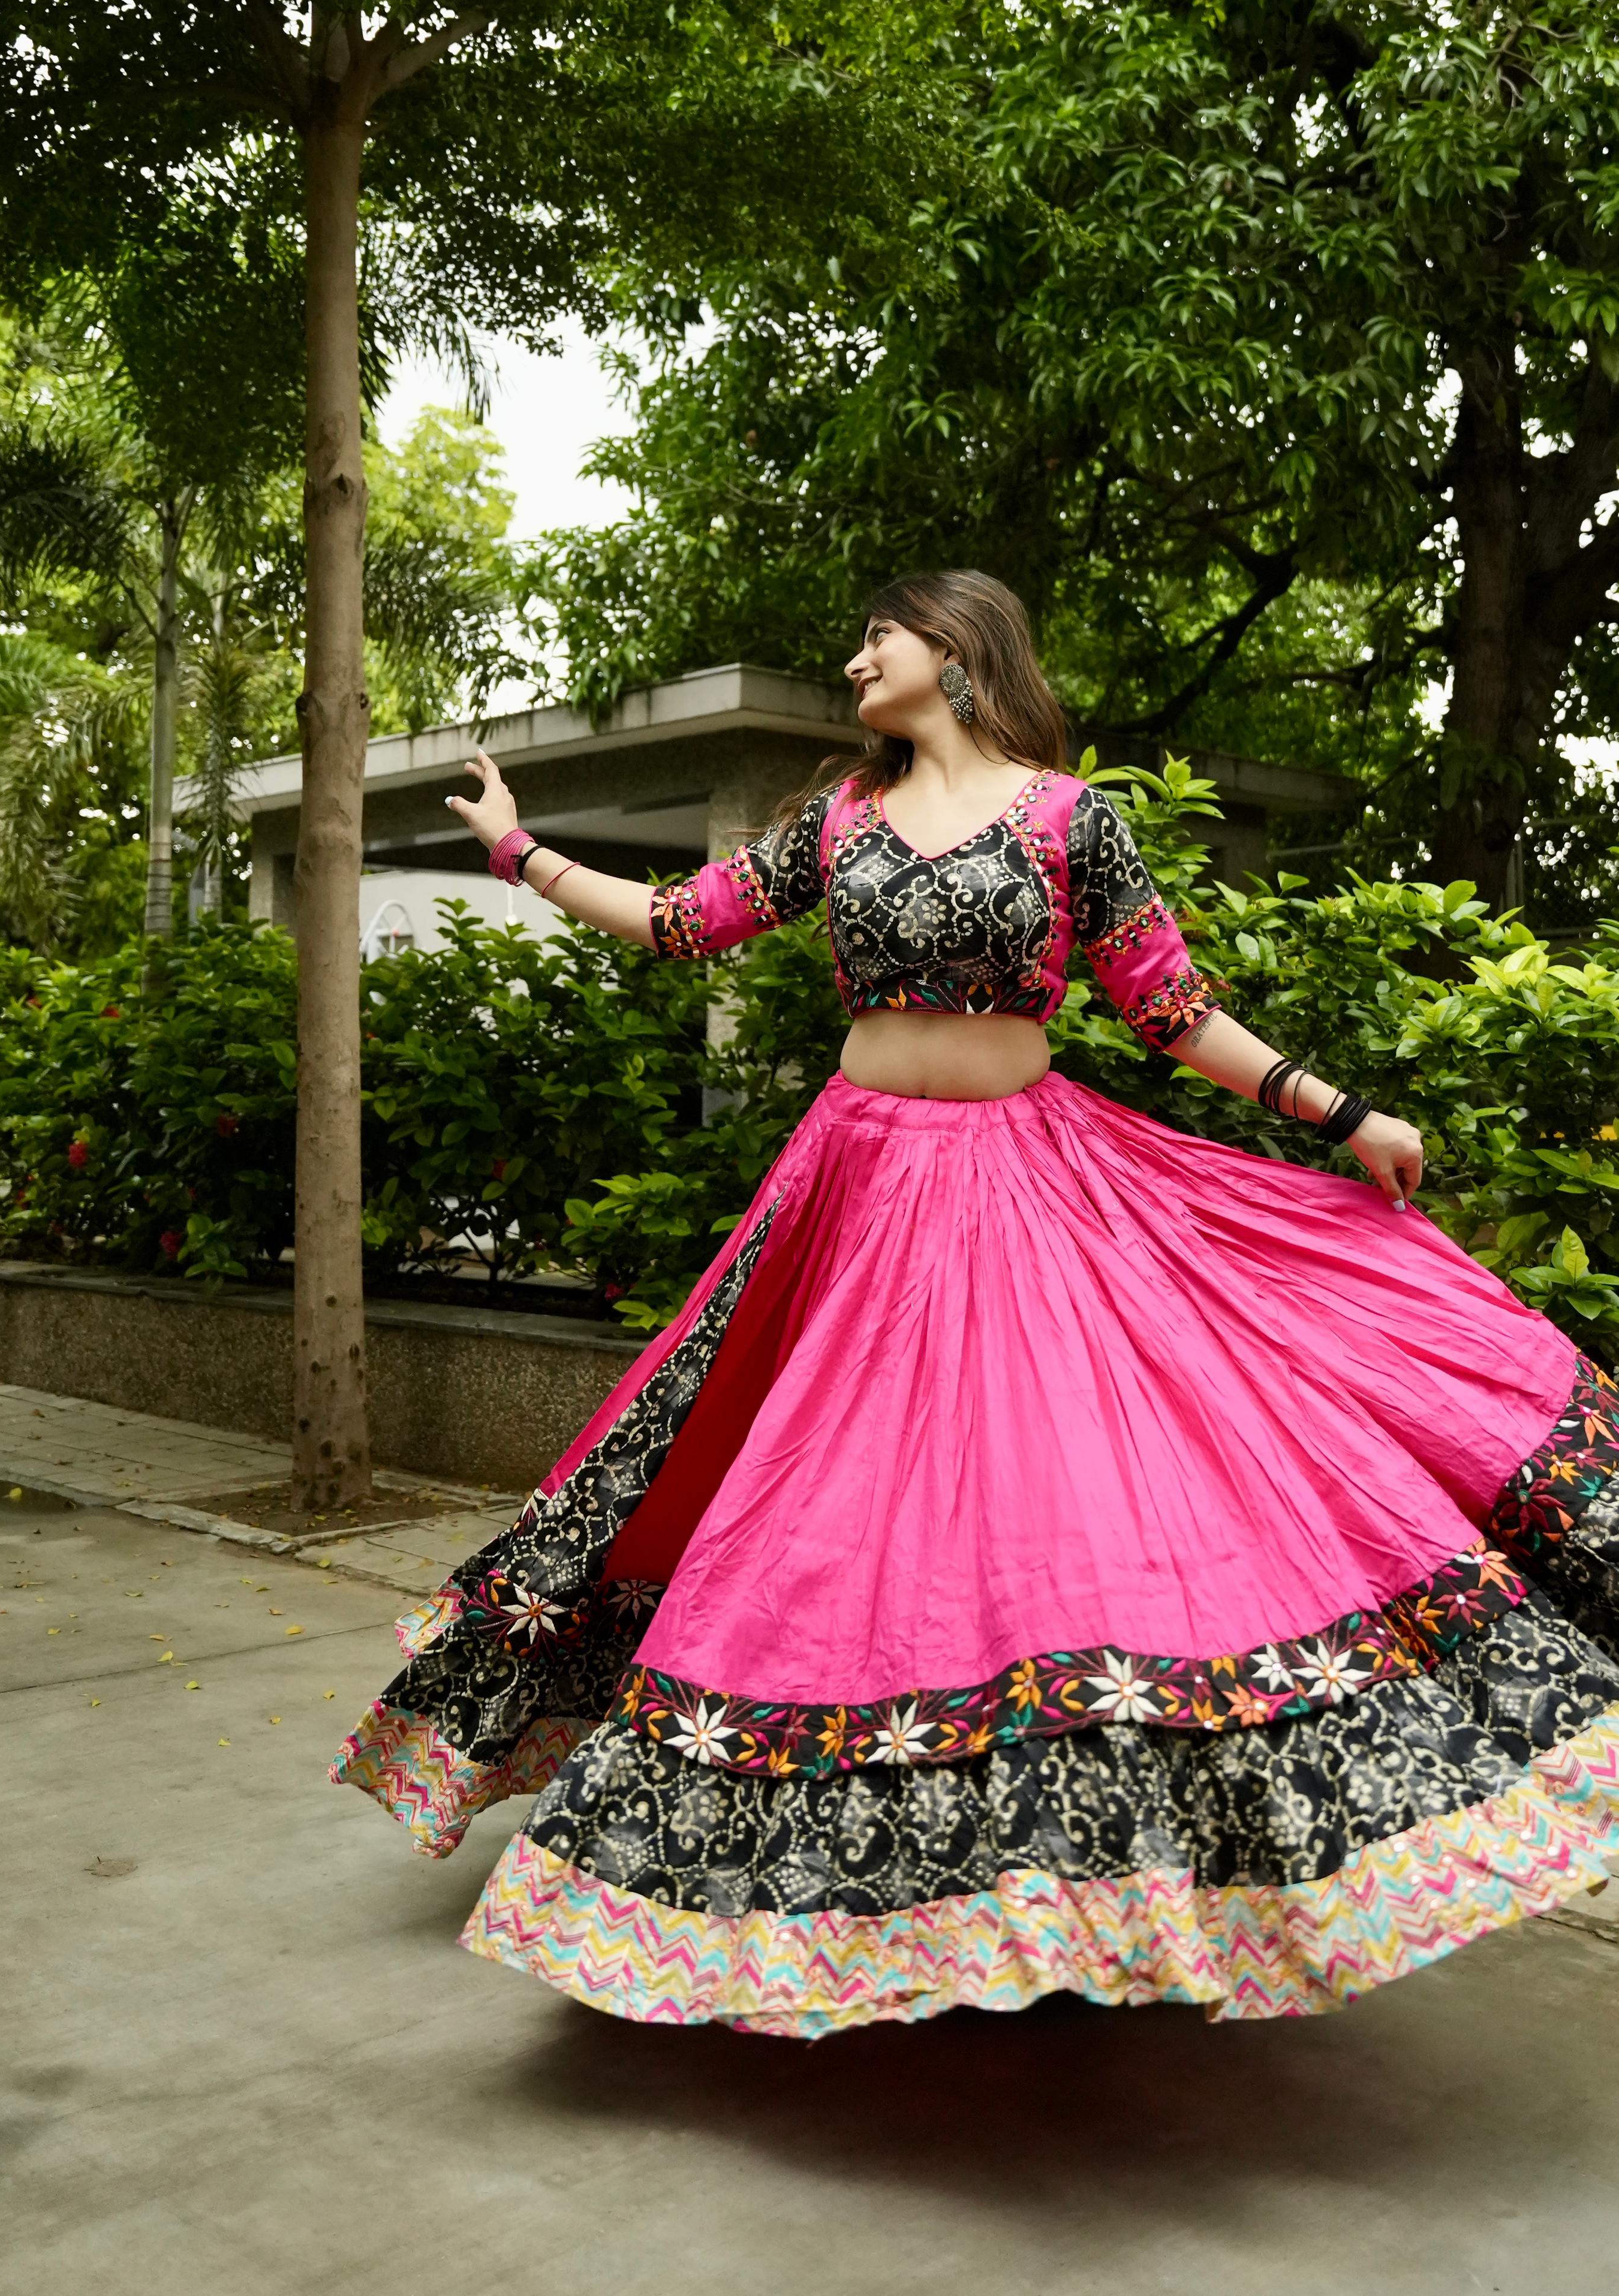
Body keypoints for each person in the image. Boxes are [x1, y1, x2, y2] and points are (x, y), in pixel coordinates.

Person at [333, 569, 1619, 2036]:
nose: (852, 655)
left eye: (873, 635)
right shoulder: (837, 822)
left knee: (1047, 1511)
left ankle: (1080, 1872)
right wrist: (518, 851)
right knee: (821, 1508)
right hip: (856, 1194)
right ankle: (803, 1875)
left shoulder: (1074, 822)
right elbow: (683, 921)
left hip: (1023, 1188)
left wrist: (1341, 1116)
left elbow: (1170, 1008)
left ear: (949, 650)